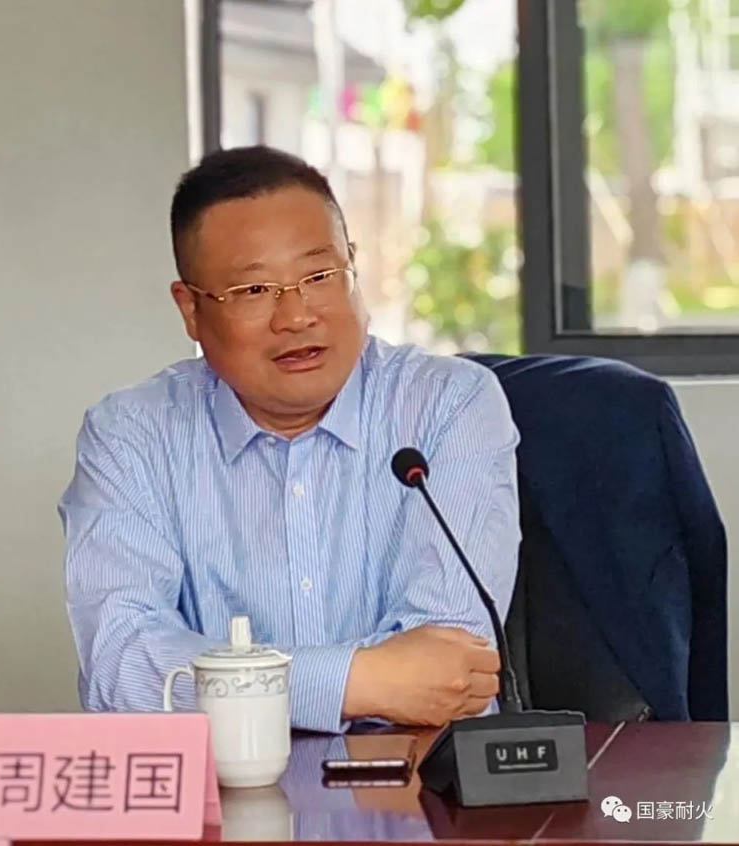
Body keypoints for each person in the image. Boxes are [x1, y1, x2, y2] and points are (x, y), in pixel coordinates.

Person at [59, 145, 521, 733]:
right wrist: (358, 682)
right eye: (254, 291)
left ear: (353, 267)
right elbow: (121, 664)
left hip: (423, 778)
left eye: (320, 276)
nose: (297, 317)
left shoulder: (450, 404)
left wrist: (235, 687)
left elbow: (452, 664)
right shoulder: (131, 437)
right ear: (191, 310)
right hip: (222, 786)